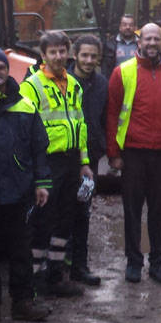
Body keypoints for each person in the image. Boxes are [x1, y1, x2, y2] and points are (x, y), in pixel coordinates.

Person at [0, 47, 52, 323]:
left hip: (20, 190)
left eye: (0, 68)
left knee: (21, 249)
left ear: (7, 71)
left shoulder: (25, 105)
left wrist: (42, 182)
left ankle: (22, 302)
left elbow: (39, 147)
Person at [106, 23, 161, 284]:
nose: (152, 43)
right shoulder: (123, 71)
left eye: (157, 38)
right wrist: (114, 153)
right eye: (148, 38)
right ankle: (133, 262)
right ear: (139, 41)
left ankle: (158, 263)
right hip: (133, 153)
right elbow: (111, 114)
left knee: (158, 211)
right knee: (132, 211)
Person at [21, 31, 93, 297]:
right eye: (53, 52)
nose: (59, 56)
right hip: (47, 162)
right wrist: (36, 168)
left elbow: (80, 123)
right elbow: (27, 129)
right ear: (43, 55)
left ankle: (55, 275)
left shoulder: (73, 83)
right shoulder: (32, 85)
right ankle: (36, 279)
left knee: (66, 218)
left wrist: (84, 162)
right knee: (42, 220)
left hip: (71, 161)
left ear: (68, 52)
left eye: (63, 51)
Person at [67, 34, 107, 286]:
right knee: (59, 214)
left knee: (83, 211)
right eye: (84, 55)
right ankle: (57, 265)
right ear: (75, 55)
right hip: (64, 156)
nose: (89, 60)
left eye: (93, 56)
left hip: (89, 159)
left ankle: (79, 266)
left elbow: (106, 116)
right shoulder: (64, 81)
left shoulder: (102, 83)